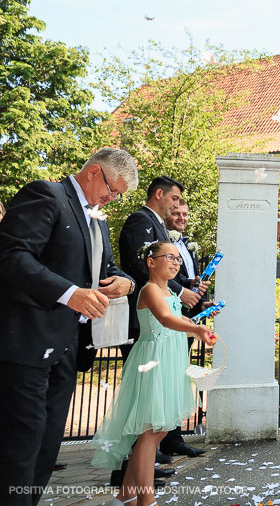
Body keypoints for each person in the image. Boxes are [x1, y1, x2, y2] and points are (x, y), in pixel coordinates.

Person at [0, 147, 138, 505]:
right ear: (93, 172)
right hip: (29, 343)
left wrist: (125, 282)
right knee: (21, 445)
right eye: (112, 189)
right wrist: (69, 293)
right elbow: (12, 257)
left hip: (69, 347)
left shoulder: (96, 218)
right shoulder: (46, 195)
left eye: (118, 195)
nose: (112, 198)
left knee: (47, 446)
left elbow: (105, 268)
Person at [91, 241, 217, 506]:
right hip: (154, 360)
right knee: (150, 432)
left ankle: (125, 496)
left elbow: (179, 318)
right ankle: (146, 500)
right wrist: (194, 330)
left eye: (178, 259)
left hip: (170, 359)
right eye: (169, 257)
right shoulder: (149, 290)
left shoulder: (169, 292)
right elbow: (164, 319)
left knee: (157, 432)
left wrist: (199, 325)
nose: (175, 262)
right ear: (151, 262)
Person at [118, 177, 207, 464]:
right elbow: (142, 269)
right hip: (149, 329)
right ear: (160, 194)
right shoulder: (139, 222)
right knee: (147, 401)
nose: (177, 205)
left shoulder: (158, 226)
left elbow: (166, 275)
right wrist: (181, 292)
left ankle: (159, 449)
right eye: (175, 199)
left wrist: (190, 290)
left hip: (168, 330)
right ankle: (139, 462)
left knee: (162, 397)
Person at [159, 199, 211, 460]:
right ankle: (159, 439)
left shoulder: (187, 246)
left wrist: (203, 301)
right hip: (169, 316)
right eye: (176, 213)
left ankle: (174, 438)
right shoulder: (163, 245)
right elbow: (171, 283)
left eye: (185, 214)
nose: (181, 218)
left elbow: (190, 282)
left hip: (189, 315)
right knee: (166, 380)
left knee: (180, 377)